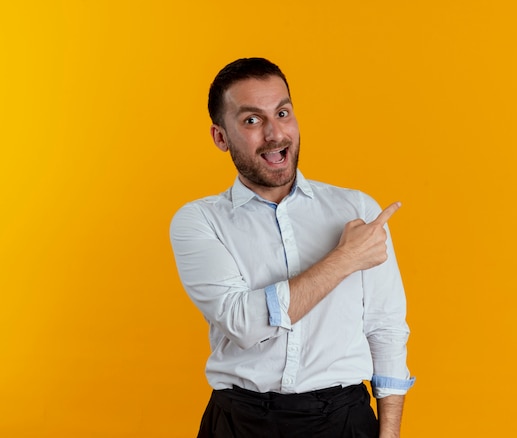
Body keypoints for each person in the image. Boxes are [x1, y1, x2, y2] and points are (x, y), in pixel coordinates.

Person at [170, 57, 414, 438]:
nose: (274, 133)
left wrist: (391, 434)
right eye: (252, 120)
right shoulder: (199, 221)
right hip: (239, 423)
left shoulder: (357, 210)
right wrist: (346, 258)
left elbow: (385, 328)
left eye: (282, 113)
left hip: (344, 421)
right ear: (221, 137)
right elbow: (246, 324)